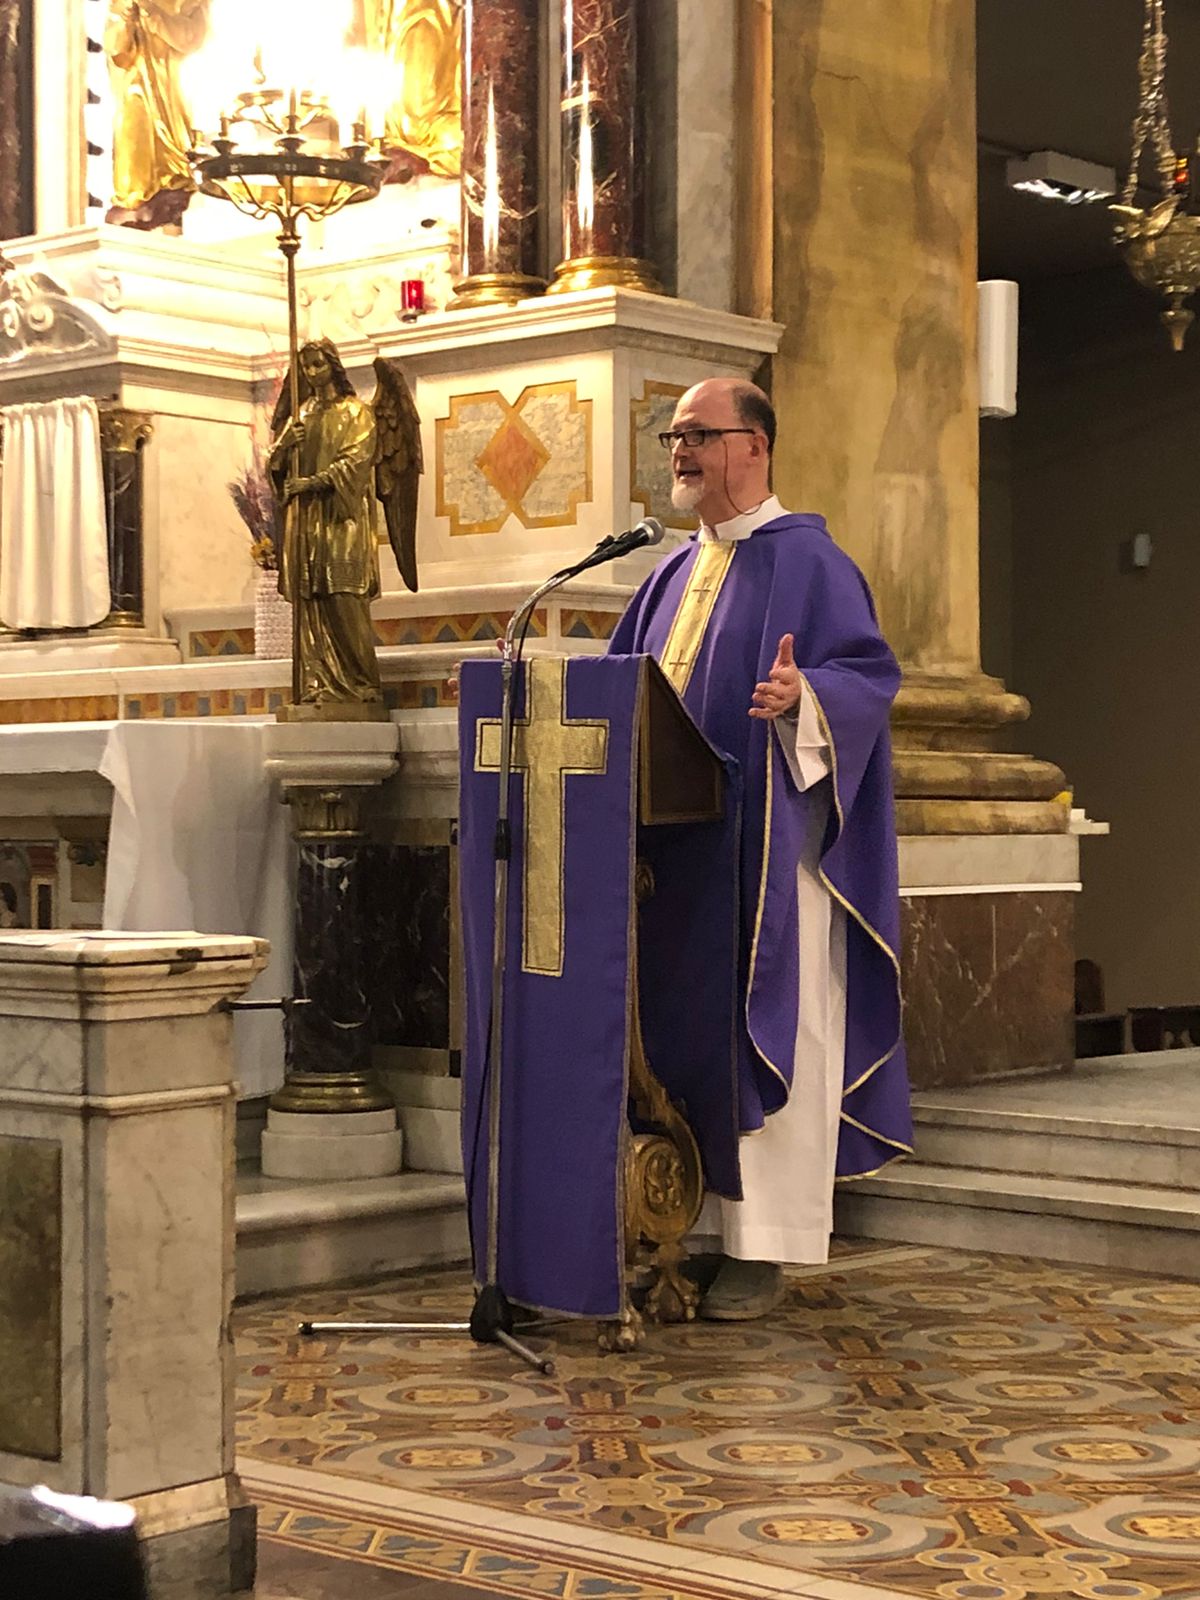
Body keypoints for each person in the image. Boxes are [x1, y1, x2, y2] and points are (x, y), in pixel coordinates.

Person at [608, 378, 912, 1320]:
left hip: (772, 859)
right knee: (678, 1039)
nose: (680, 451)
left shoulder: (812, 563)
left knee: (769, 1027)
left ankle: (765, 1247)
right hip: (677, 864)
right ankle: (686, 1230)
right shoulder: (666, 575)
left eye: (698, 435)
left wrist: (803, 700)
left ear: (755, 445)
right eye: (673, 436)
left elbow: (869, 681)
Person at [270, 340, 384, 709]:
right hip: (306, 522)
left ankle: (361, 683)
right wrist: (283, 447)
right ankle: (318, 682)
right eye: (306, 367)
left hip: (341, 519)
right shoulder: (300, 415)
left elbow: (355, 463)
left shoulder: (357, 413)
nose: (312, 372)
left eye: (318, 364)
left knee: (342, 597)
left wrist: (312, 483)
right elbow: (277, 471)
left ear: (333, 365)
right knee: (311, 602)